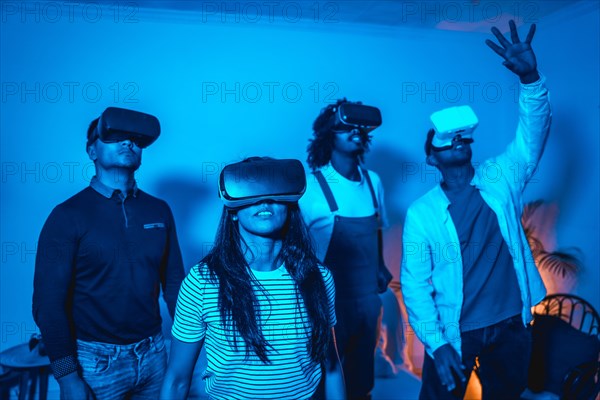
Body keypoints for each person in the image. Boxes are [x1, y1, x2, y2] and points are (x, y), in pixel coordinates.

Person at [401, 20, 551, 399]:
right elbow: (415, 285)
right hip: (456, 331)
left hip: (510, 324)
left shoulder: (501, 178)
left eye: (462, 137)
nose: (456, 142)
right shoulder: (422, 213)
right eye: (445, 141)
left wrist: (530, 77)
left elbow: (533, 133)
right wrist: (438, 345)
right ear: (431, 158)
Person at [32, 107, 185, 399]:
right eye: (115, 136)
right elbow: (48, 304)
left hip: (154, 353)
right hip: (94, 362)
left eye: (135, 139)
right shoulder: (67, 216)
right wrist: (67, 378)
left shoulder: (159, 210)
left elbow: (175, 283)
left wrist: (182, 351)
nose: (128, 143)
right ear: (92, 150)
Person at [160, 157, 338, 400]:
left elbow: (332, 365)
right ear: (233, 212)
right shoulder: (202, 282)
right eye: (252, 192)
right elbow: (177, 379)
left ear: (290, 205)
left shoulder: (318, 278)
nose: (264, 200)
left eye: (274, 193)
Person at [300, 100, 393, 399]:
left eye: (358, 127)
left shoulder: (372, 181)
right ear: (329, 136)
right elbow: (295, 247)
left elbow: (376, 228)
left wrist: (379, 265)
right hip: (328, 300)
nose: (354, 132)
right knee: (324, 374)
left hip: (367, 299)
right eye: (344, 127)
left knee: (361, 376)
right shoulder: (312, 188)